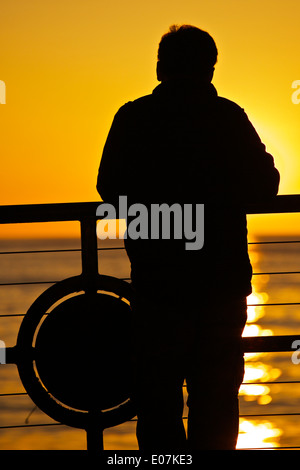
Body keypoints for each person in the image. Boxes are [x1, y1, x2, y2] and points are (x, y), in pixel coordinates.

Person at [96, 24, 280, 450]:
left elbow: (109, 186)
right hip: (222, 282)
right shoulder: (228, 118)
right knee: (215, 402)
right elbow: (264, 185)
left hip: (157, 281)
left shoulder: (134, 117)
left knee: (158, 402)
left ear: (161, 66)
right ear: (210, 69)